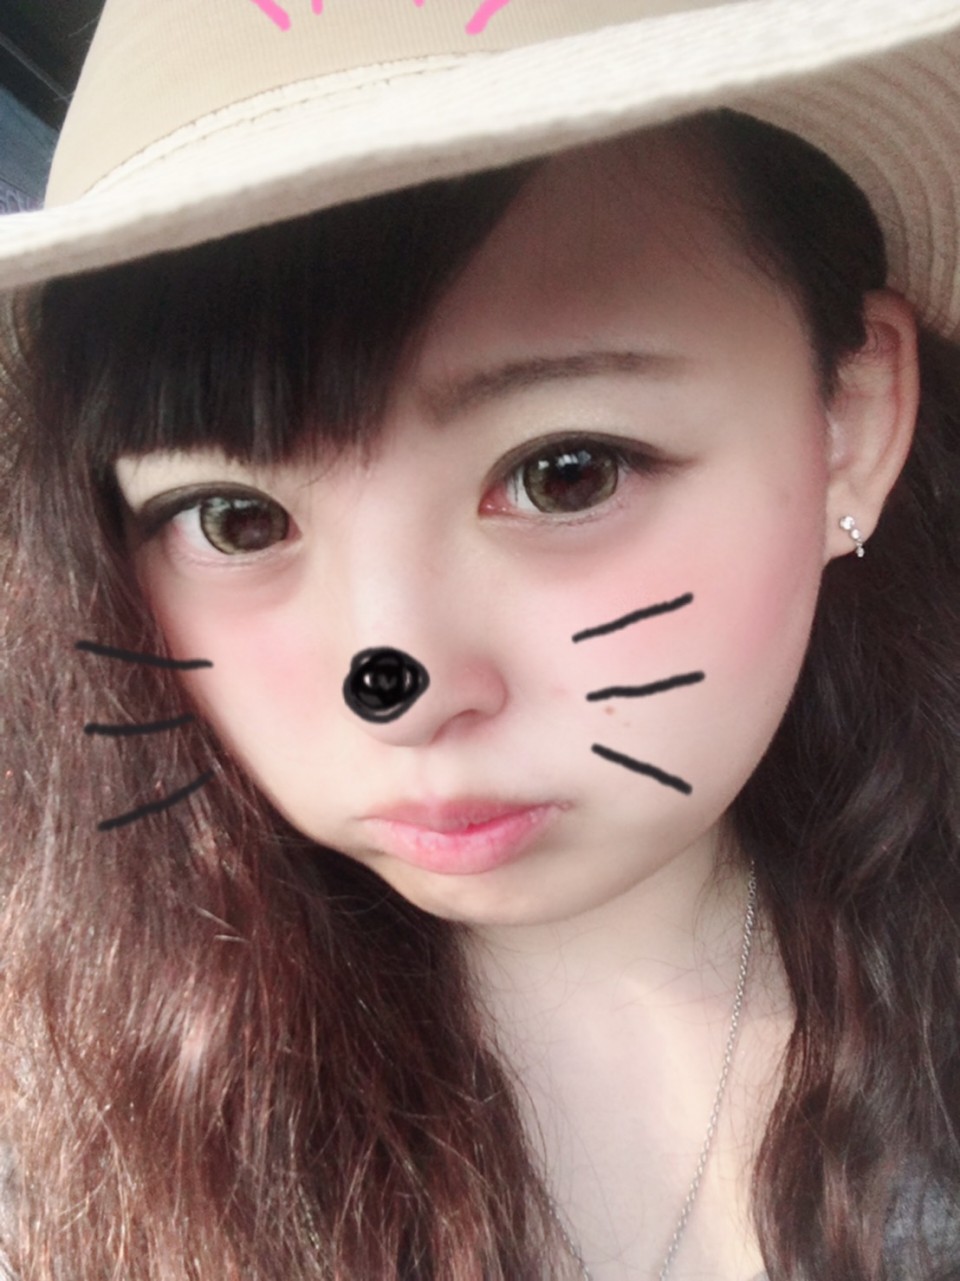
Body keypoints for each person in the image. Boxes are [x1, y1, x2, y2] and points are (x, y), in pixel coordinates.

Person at [1, 1, 958, 1277]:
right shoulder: (57, 1123)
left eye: (566, 474)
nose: (396, 688)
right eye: (233, 519)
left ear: (852, 420)